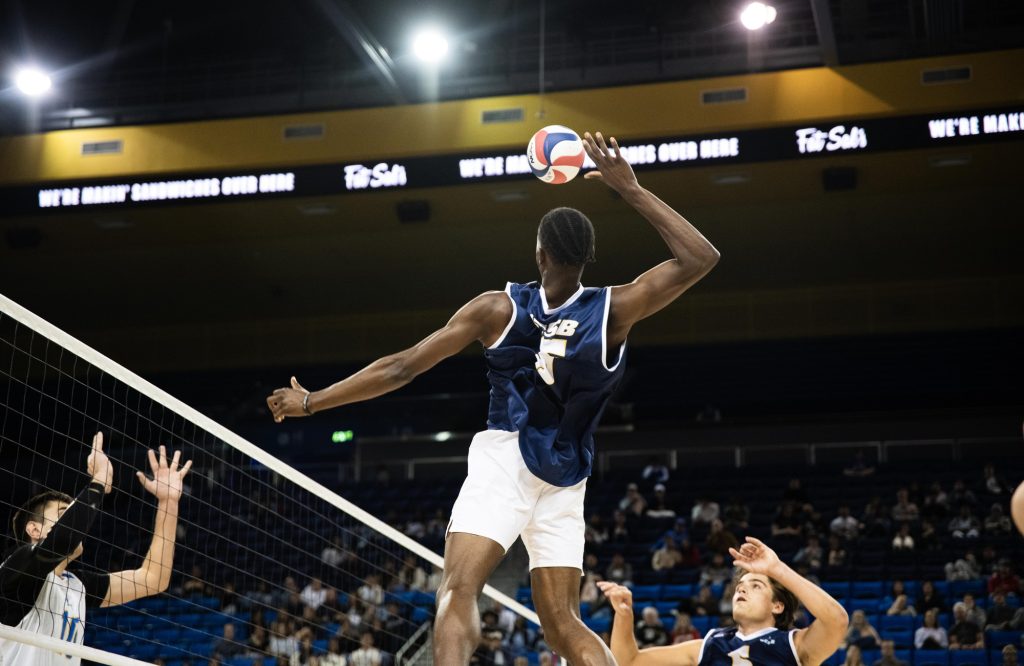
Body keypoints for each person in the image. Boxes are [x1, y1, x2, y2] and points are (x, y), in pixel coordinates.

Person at [267, 130, 720, 666]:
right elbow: (700, 258)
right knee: (563, 623)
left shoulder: (496, 310)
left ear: (540, 253)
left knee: (458, 590)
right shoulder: (614, 311)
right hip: (567, 470)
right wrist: (631, 189)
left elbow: (402, 366)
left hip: (506, 457)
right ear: (588, 258)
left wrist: (313, 402)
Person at [0, 433, 192, 666]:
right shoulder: (17, 569)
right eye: (64, 514)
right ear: (34, 529)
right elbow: (61, 540)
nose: (78, 523)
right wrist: (99, 479)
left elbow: (153, 579)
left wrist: (168, 503)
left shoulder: (76, 586)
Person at [599, 537, 847, 666]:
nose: (742, 590)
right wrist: (623, 616)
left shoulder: (794, 645)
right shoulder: (711, 643)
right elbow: (629, 661)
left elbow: (836, 620)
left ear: (777, 605)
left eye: (756, 586)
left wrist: (777, 569)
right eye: (740, 586)